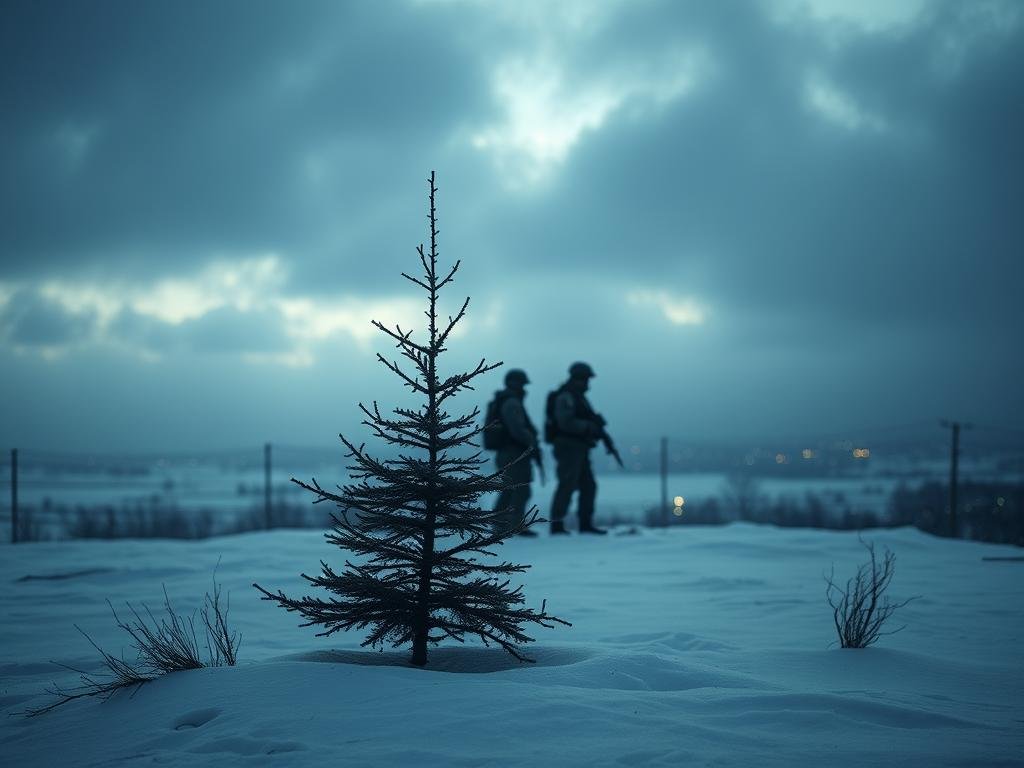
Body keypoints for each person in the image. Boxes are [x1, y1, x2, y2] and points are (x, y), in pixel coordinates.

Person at [546, 362, 610, 535]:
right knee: (567, 484)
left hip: (579, 447)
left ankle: (585, 524)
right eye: (586, 379)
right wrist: (589, 427)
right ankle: (557, 524)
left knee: (588, 485)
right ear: (579, 378)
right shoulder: (566, 396)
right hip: (568, 446)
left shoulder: (578, 397)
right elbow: (565, 422)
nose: (588, 383)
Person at [487, 369, 543, 537]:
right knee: (520, 490)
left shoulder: (507, 400)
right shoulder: (512, 402)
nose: (524, 388)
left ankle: (502, 525)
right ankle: (513, 526)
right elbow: (517, 430)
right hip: (514, 452)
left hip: (510, 451)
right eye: (522, 384)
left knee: (510, 489)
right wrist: (531, 442)